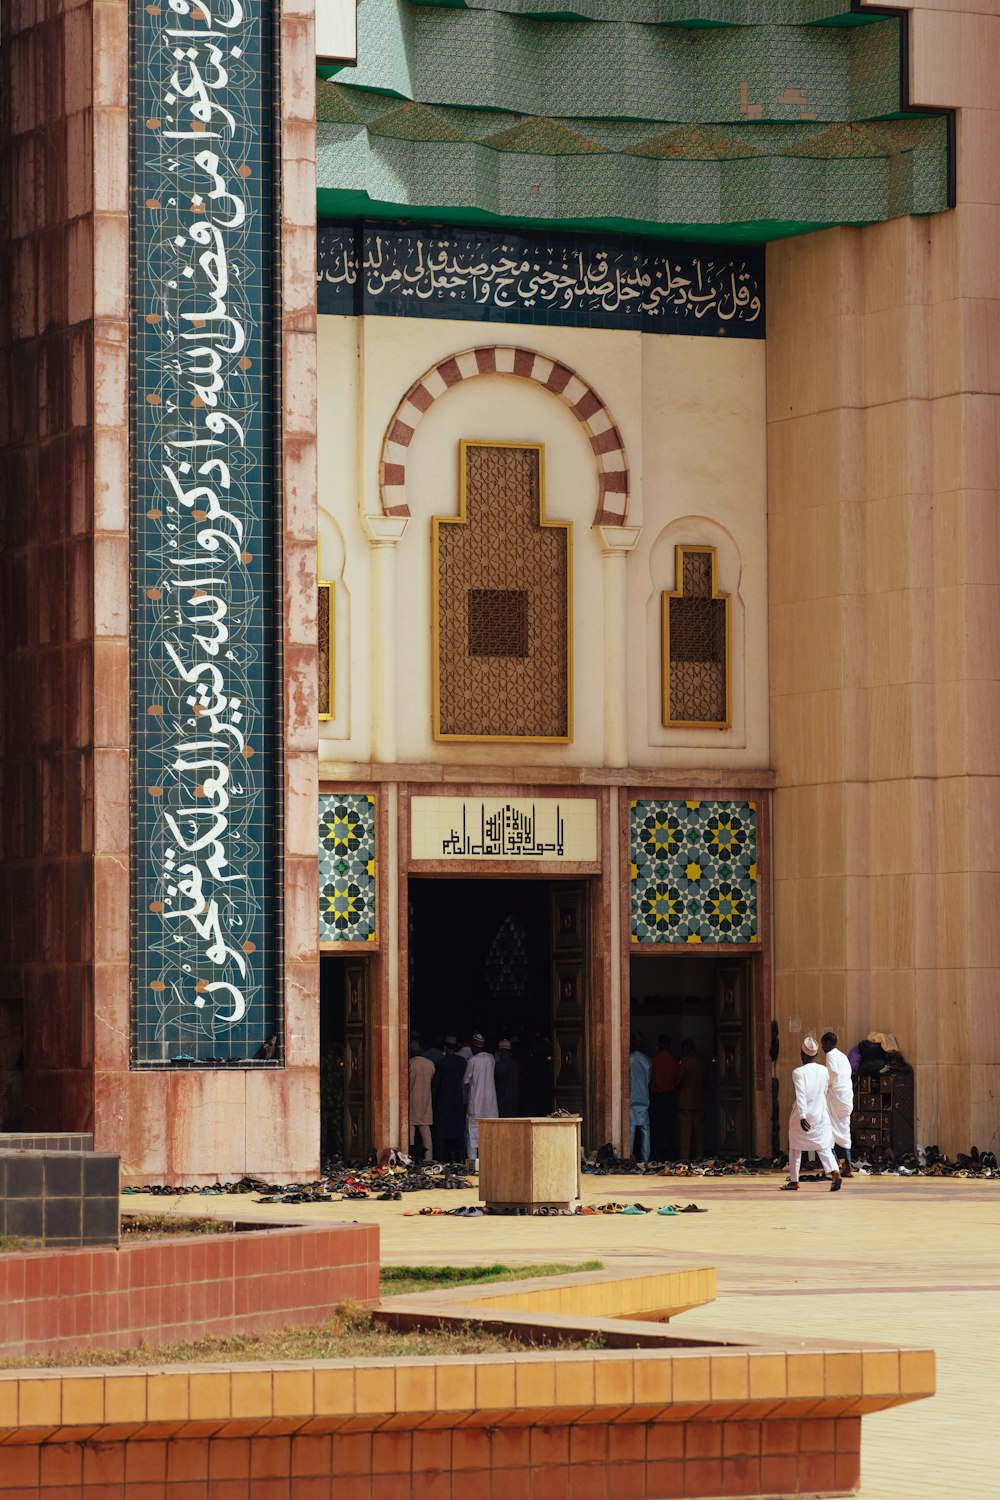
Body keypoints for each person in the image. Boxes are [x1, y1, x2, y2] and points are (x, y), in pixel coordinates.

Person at [783, 1035, 842, 1192]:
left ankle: (794, 1181)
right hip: (819, 1113)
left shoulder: (798, 1072)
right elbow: (823, 1091)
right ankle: (835, 1172)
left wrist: (802, 1116)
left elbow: (800, 1094)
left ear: (802, 1055)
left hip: (802, 1115)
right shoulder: (824, 1070)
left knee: (795, 1148)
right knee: (822, 1146)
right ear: (815, 1055)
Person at [822, 1030, 854, 1177]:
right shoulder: (843, 1056)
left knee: (829, 1128)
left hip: (836, 1096)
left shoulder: (830, 1055)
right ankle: (848, 1166)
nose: (822, 1048)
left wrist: (826, 1085)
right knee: (844, 1129)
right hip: (847, 1097)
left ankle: (834, 1164)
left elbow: (833, 1073)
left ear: (828, 1043)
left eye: (823, 1044)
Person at [463, 1031, 498, 1163]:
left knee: (471, 1135)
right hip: (490, 1104)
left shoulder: (473, 1060)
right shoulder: (491, 1058)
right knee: (489, 1134)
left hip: (476, 1103)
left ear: (475, 1047)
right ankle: (490, 1162)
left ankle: (472, 1167)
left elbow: (466, 1079)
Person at [431, 1036, 466, 1163]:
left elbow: (436, 1085)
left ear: (445, 1048)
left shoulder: (442, 1064)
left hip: (443, 1101)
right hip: (457, 1101)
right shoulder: (462, 1062)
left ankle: (440, 1160)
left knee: (441, 1133)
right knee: (458, 1132)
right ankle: (460, 1159)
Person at [676, 1038, 708, 1160]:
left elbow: (678, 1080)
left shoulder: (684, 1061)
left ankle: (685, 1158)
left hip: (685, 1101)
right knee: (699, 1132)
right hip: (699, 1100)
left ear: (685, 1049)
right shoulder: (703, 1061)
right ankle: (700, 1156)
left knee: (685, 1132)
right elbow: (707, 1080)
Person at [650, 1034, 678, 1159]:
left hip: (656, 1096)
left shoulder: (654, 1060)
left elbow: (649, 1078)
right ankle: (672, 1153)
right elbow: (677, 1079)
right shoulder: (674, 1061)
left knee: (656, 1127)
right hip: (670, 1096)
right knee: (671, 1127)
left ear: (660, 1045)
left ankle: (656, 1153)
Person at [408, 1038, 435, 1163]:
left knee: (410, 1132)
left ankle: (410, 1158)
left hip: (412, 1101)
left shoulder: (410, 1064)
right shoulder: (430, 1064)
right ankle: (428, 1158)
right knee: (425, 1131)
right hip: (425, 1100)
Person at [629, 1035, 653, 1162]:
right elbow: (648, 1079)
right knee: (645, 1129)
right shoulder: (647, 1060)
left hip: (631, 1096)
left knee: (631, 1129)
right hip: (644, 1096)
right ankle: (645, 1159)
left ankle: (629, 1156)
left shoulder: (629, 1059)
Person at [494, 1038, 519, 1117]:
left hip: (501, 1100)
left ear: (499, 1052)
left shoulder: (498, 1066)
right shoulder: (516, 1064)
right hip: (514, 1100)